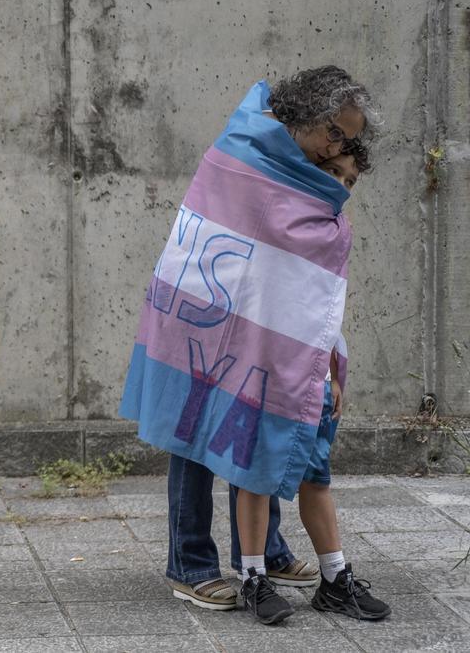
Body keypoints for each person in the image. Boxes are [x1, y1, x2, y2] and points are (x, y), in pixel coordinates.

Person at [119, 65, 380, 625]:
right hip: (204, 313)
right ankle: (189, 565)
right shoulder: (242, 149)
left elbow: (300, 270)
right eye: (336, 132)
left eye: (349, 139)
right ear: (306, 115)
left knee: (261, 415)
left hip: (267, 320)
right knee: (197, 430)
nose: (341, 145)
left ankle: (263, 554)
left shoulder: (313, 173)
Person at [227, 141, 391, 622]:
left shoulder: (336, 233)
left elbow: (329, 307)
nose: (339, 186)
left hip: (313, 376)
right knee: (255, 477)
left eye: (349, 180)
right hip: (267, 371)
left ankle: (335, 579)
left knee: (316, 478)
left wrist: (333, 370)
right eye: (332, 173)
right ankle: (254, 579)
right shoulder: (275, 222)